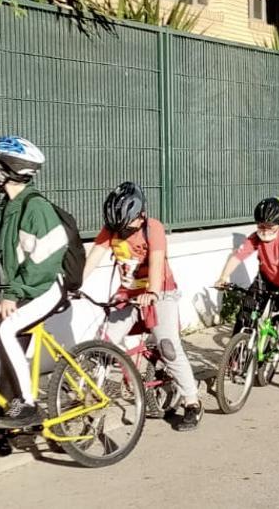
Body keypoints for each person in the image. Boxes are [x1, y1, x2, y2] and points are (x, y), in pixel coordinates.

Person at [82, 182, 202, 428]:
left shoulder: (153, 227)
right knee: (102, 345)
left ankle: (192, 401)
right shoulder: (111, 230)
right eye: (118, 229)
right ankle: (92, 399)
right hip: (128, 292)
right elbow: (93, 257)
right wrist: (73, 285)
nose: (122, 233)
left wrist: (153, 292)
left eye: (127, 227)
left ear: (141, 215)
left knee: (167, 345)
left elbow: (157, 262)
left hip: (162, 292)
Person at [0, 136, 68, 454]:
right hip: (22, 290)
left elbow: (46, 261)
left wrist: (13, 293)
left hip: (45, 289)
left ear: (8, 169)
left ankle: (28, 406)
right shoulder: (7, 207)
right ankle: (4, 433)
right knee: (7, 346)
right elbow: (1, 256)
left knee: (2, 331)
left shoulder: (36, 207)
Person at [215, 198, 279, 395]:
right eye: (261, 226)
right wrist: (223, 277)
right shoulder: (255, 238)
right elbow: (237, 256)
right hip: (266, 279)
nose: (265, 230)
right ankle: (236, 358)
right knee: (245, 313)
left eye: (270, 226)